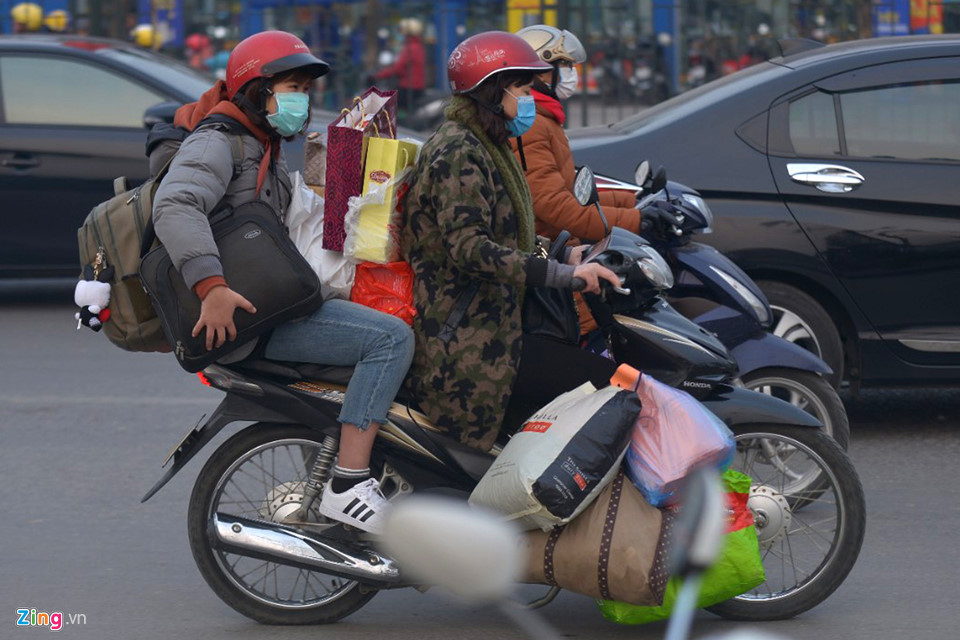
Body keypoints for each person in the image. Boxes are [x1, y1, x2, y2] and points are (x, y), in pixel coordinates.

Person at [152, 31, 413, 535]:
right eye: (291, 86)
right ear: (256, 89)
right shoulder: (218, 141)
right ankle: (348, 484)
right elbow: (176, 204)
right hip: (249, 316)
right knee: (389, 339)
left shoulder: (257, 143)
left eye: (304, 89)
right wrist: (212, 287)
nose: (301, 100)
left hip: (265, 299)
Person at [401, 32, 622, 451]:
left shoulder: (488, 143)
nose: (528, 99)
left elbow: (506, 229)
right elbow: (471, 249)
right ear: (491, 92)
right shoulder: (458, 152)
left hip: (498, 323)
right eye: (522, 89)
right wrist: (565, 274)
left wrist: (562, 250)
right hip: (470, 341)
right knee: (604, 388)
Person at [511, 25, 685, 335]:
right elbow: (556, 208)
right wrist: (637, 220)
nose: (571, 73)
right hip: (552, 259)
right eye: (563, 65)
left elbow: (572, 191)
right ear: (541, 71)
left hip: (562, 253)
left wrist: (634, 201)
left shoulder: (545, 119)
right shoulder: (532, 125)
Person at [370, 18, 426, 114]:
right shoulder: (418, 46)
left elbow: (397, 69)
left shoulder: (410, 48)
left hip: (409, 88)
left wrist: (378, 76)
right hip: (417, 87)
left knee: (388, 107)